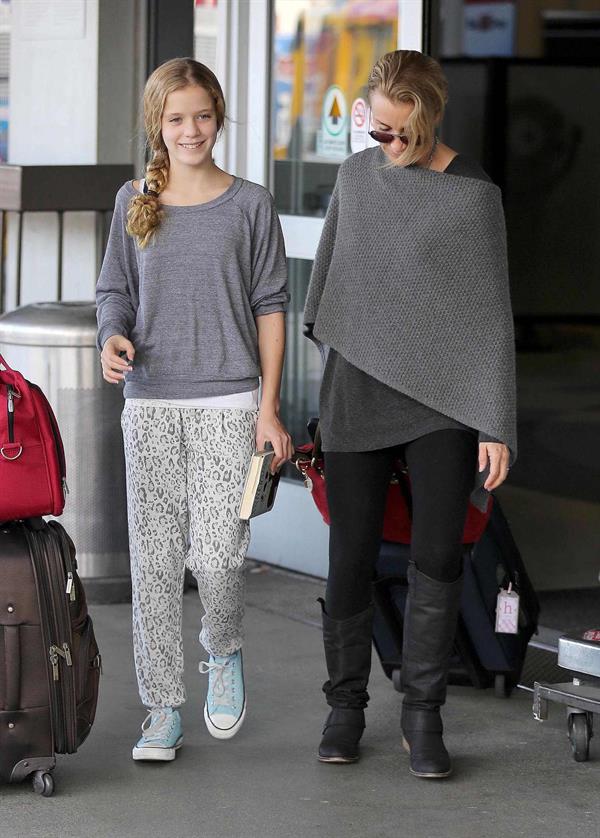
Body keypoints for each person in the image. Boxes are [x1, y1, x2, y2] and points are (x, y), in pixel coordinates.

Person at [303, 50, 516, 778]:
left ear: (429, 119)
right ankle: (346, 708)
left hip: (442, 401)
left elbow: (489, 318)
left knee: (435, 556)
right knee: (349, 557)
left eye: (400, 133)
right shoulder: (359, 178)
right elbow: (333, 276)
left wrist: (494, 421)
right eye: (378, 132)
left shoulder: (471, 195)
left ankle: (422, 715)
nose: (386, 145)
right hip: (356, 389)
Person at [96, 58, 292, 762]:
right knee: (152, 564)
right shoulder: (131, 201)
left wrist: (270, 410)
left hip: (231, 403)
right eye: (176, 118)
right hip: (149, 403)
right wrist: (110, 336)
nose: (191, 130)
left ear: (219, 117)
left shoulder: (250, 204)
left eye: (203, 115)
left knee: (217, 557)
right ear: (158, 124)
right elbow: (113, 292)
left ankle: (225, 649)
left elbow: (272, 306)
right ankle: (161, 709)